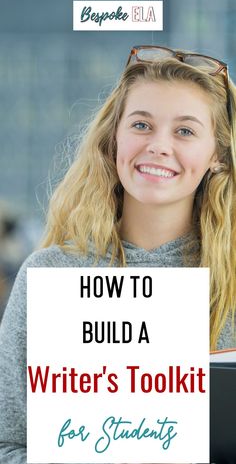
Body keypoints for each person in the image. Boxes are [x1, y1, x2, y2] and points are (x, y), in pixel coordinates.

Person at [0, 45, 236, 463]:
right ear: (114, 139)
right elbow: (6, 443)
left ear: (216, 156)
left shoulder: (232, 288)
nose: (159, 146)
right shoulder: (48, 276)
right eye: (142, 124)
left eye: (185, 131)